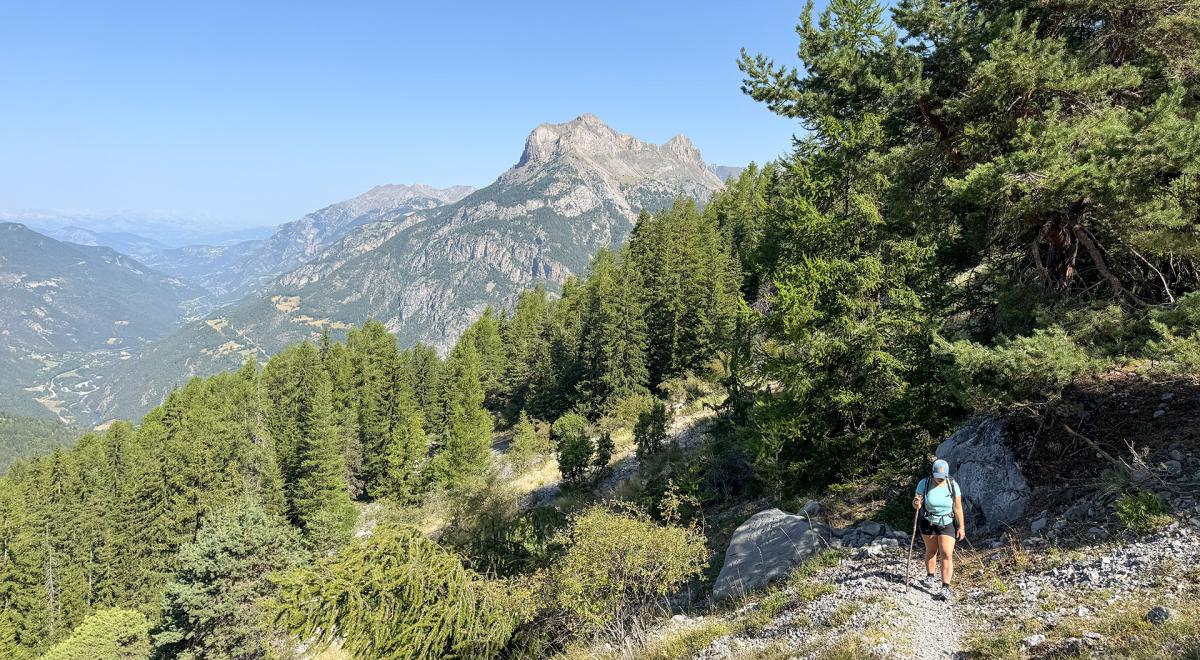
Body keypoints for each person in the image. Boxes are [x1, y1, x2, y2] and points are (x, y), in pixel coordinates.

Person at [911, 459, 965, 601]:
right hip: (928, 521)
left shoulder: (953, 485)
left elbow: (958, 507)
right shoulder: (924, 483)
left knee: (947, 554)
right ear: (932, 473)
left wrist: (961, 527)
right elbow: (916, 503)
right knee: (931, 550)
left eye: (942, 476)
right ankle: (930, 575)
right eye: (937, 476)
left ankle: (945, 587)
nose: (940, 479)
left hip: (947, 522)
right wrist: (917, 503)